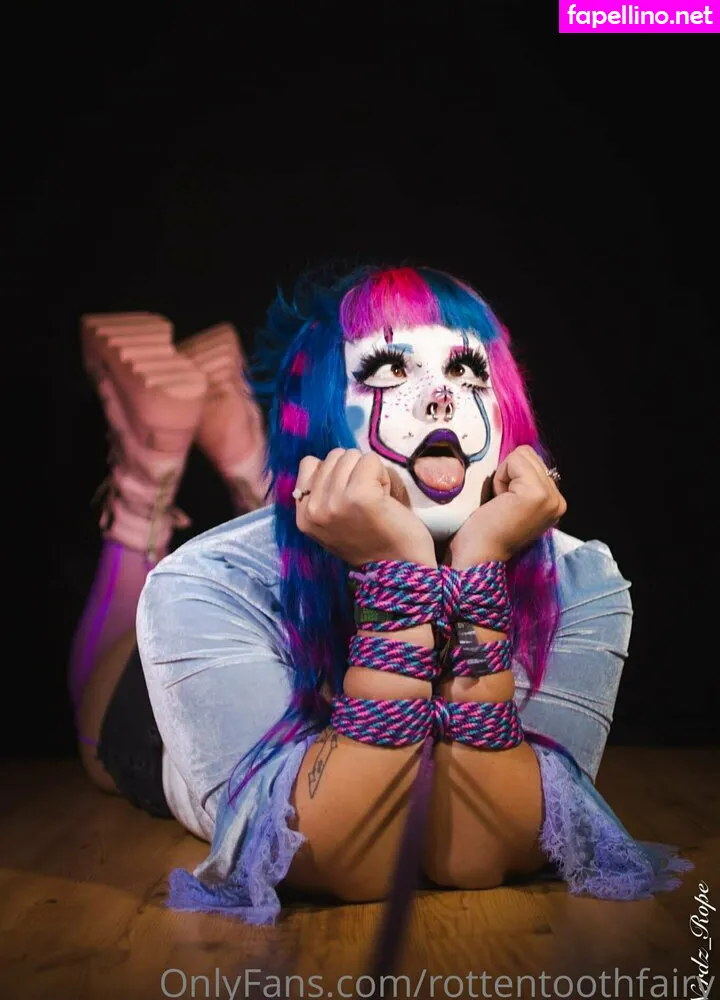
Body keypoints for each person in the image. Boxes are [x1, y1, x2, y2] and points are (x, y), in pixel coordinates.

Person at [71, 266, 692, 929]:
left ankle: (254, 464)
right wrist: (395, 571)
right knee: (98, 721)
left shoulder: (579, 579)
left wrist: (477, 565)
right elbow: (341, 861)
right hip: (195, 678)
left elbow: (476, 854)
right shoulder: (210, 577)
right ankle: (146, 484)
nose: (440, 399)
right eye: (391, 369)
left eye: (466, 371)